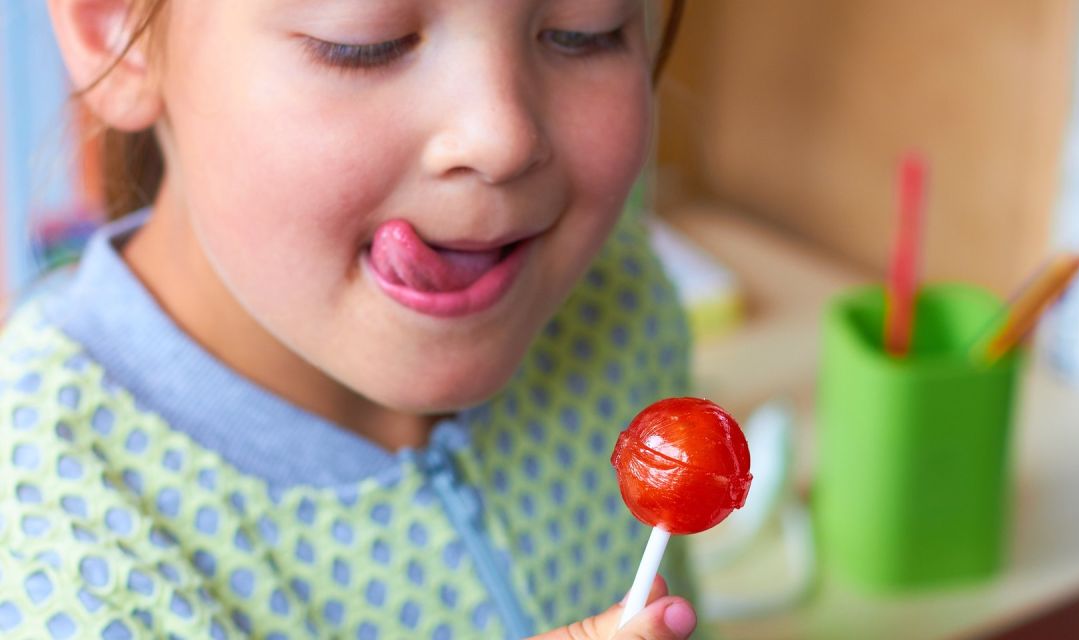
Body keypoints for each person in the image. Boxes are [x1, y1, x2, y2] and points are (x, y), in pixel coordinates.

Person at [0, 0, 699, 638]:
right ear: (116, 30)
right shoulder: (52, 559)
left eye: (587, 31)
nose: (502, 139)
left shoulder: (615, 300)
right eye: (366, 43)